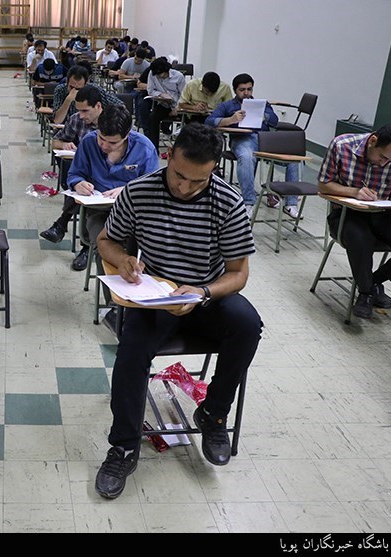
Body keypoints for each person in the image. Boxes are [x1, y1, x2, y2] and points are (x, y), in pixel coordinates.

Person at [94, 123, 261, 499]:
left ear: (214, 168)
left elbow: (238, 273)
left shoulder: (227, 201)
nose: (185, 187)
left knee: (248, 325)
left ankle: (213, 413)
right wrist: (122, 260)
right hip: (157, 296)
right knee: (132, 350)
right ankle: (123, 447)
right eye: (179, 176)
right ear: (168, 156)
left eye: (197, 181)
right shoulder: (140, 192)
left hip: (206, 295)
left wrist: (203, 292)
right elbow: (106, 240)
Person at [66, 104, 159, 275]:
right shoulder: (88, 142)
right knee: (105, 249)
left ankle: (140, 288)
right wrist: (78, 183)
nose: (104, 146)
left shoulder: (144, 148)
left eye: (113, 142)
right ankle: (111, 293)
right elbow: (74, 174)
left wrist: (128, 190)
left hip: (135, 217)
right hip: (99, 212)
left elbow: (153, 187)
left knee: (144, 254)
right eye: (102, 138)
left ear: (127, 135)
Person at [317, 124, 391, 318]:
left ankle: (374, 281)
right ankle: (365, 292)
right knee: (360, 238)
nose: (384, 164)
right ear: (373, 141)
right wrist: (354, 192)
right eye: (382, 157)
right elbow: (323, 185)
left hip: (383, 214)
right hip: (346, 213)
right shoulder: (342, 145)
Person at [207, 73, 300, 218]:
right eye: (242, 90)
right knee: (246, 156)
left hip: (265, 140)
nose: (246, 93)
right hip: (242, 139)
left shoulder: (261, 104)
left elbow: (275, 120)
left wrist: (264, 116)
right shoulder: (228, 106)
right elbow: (209, 121)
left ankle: (291, 203)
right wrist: (230, 119)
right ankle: (248, 203)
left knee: (293, 158)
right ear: (235, 90)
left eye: (249, 89)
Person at [39, 85, 106, 249]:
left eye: (85, 111)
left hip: (109, 176)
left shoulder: (113, 122)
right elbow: (55, 141)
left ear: (98, 106)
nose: (81, 115)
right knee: (81, 184)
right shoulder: (77, 119)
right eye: (79, 110)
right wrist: (64, 144)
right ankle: (84, 245)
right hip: (86, 172)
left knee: (86, 186)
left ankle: (63, 225)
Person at [52, 64, 123, 124]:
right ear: (67, 82)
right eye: (71, 87)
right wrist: (68, 100)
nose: (74, 91)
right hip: (66, 128)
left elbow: (120, 106)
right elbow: (57, 120)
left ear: (86, 84)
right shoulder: (60, 90)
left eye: (79, 89)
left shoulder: (94, 89)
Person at [144, 57, 186, 152]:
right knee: (152, 118)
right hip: (164, 104)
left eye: (160, 74)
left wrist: (177, 108)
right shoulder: (152, 74)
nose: (158, 76)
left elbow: (183, 95)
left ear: (166, 70)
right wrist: (161, 94)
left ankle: (181, 149)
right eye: (157, 75)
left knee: (188, 120)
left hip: (178, 105)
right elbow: (150, 90)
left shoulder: (178, 76)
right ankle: (153, 149)